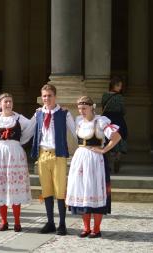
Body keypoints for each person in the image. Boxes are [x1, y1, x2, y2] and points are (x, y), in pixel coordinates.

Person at [0, 93, 34, 232]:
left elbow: (32, 127)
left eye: (10, 101)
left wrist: (20, 142)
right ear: (0, 104)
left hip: (15, 155)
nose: (8, 104)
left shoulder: (19, 118)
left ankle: (17, 222)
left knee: (15, 187)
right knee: (0, 187)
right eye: (5, 102)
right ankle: (4, 221)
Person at [66, 96, 121, 238]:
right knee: (82, 192)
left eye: (84, 108)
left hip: (95, 160)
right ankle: (86, 228)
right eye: (79, 108)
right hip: (80, 159)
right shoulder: (78, 120)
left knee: (95, 190)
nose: (81, 111)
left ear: (91, 107)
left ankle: (96, 229)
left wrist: (103, 150)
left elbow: (116, 137)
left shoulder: (101, 121)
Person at [30, 84, 76, 236]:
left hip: (58, 155)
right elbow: (27, 130)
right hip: (43, 154)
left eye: (49, 95)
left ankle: (62, 224)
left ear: (55, 96)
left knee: (60, 190)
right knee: (46, 189)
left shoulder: (64, 113)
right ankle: (50, 222)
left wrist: (87, 145)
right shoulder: (38, 113)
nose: (47, 98)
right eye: (44, 96)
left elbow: (75, 131)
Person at [101, 76, 128, 173]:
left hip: (107, 119)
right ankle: (117, 159)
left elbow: (103, 106)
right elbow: (123, 110)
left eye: (120, 86)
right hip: (118, 120)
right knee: (120, 137)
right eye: (118, 85)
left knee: (106, 140)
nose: (120, 88)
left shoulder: (104, 95)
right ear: (113, 85)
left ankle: (107, 164)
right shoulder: (120, 97)